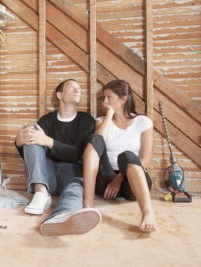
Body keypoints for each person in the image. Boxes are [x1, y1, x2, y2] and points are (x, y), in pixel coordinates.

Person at [15, 79, 101, 237]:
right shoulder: (46, 121)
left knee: (74, 190)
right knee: (31, 129)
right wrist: (19, 142)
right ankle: (41, 193)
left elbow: (77, 153)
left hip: (72, 171)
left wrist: (47, 141)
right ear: (59, 94)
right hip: (48, 177)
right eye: (71, 87)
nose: (77, 91)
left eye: (79, 89)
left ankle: (61, 218)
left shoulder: (86, 120)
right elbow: (33, 157)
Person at [83, 79, 158, 232]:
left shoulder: (143, 122)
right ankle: (88, 205)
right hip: (105, 180)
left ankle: (148, 213)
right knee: (94, 138)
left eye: (108, 97)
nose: (104, 101)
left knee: (128, 155)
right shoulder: (101, 121)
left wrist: (119, 178)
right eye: (103, 97)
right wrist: (110, 113)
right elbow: (98, 142)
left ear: (123, 99)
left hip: (132, 181)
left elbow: (145, 158)